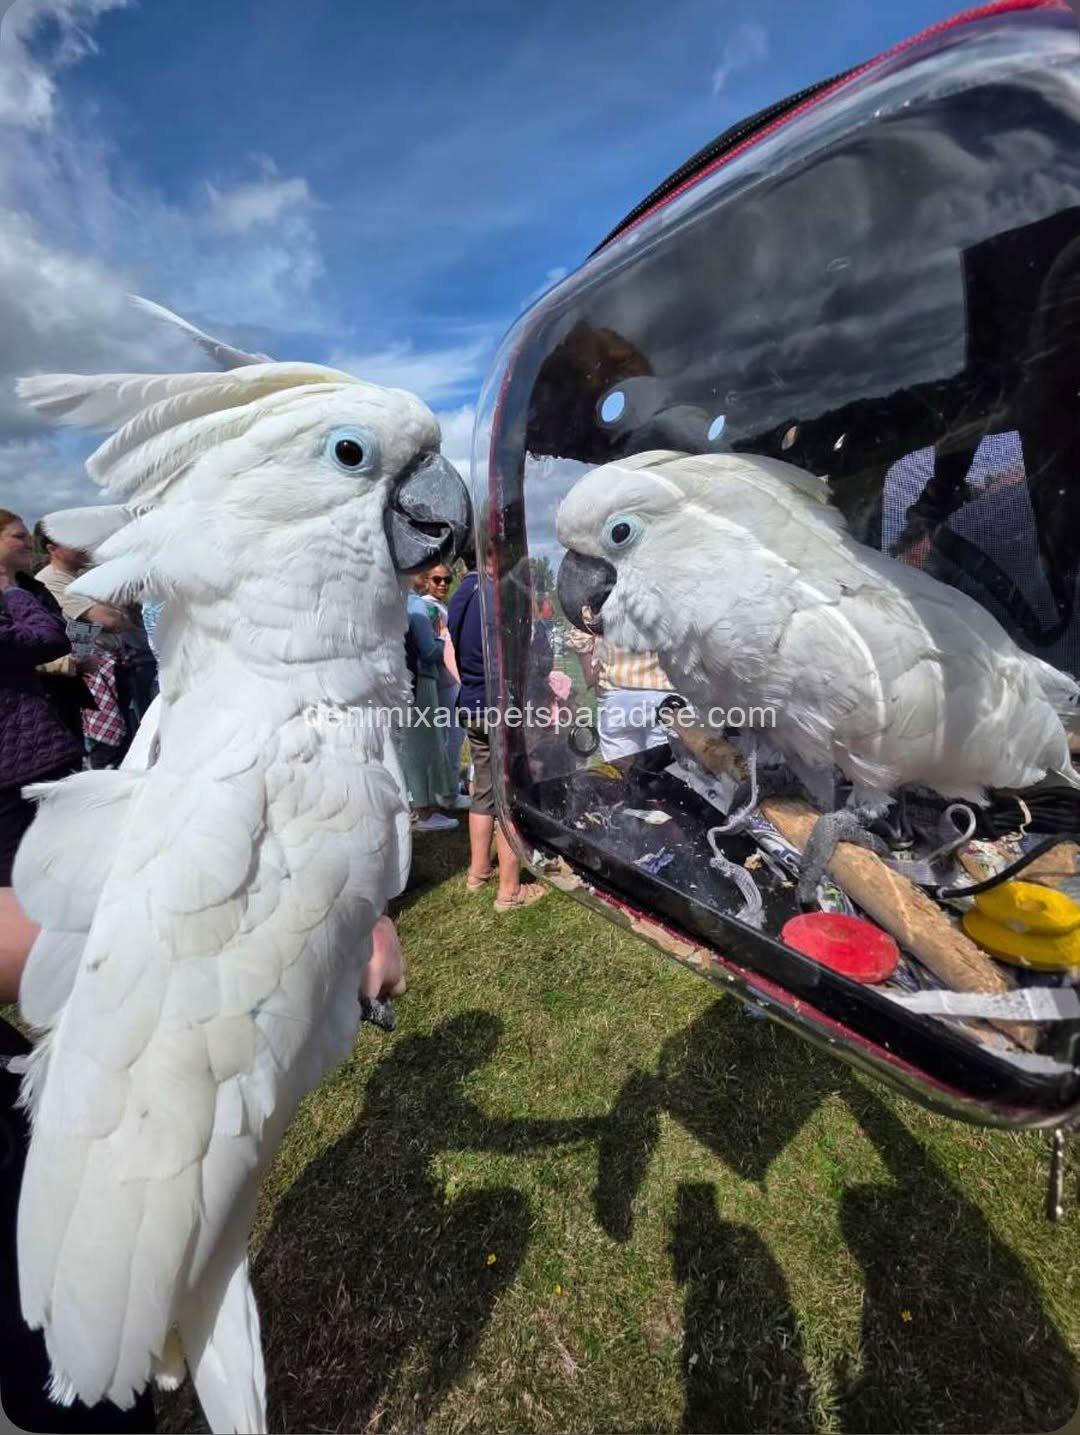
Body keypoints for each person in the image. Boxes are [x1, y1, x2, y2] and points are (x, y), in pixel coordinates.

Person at [0, 511, 82, 949]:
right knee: (21, 857)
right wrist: (11, 596)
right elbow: (48, 637)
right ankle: (39, 948)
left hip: (38, 730)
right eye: (16, 535)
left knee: (57, 842)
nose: (25, 542)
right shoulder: (15, 591)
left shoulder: (26, 587)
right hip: (17, 746)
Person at [448, 552, 546, 912]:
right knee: (509, 795)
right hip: (499, 705)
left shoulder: (461, 593)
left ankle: (478, 871)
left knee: (484, 790)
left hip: (471, 702)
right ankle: (509, 890)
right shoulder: (498, 594)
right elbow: (525, 653)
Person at [565, 624, 677, 761]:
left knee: (621, 774)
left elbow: (590, 677)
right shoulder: (667, 606)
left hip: (616, 703)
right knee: (669, 770)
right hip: (665, 699)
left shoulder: (590, 611)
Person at [399, 581, 457, 831]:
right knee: (423, 745)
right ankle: (423, 812)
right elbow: (429, 650)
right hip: (421, 678)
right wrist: (443, 636)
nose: (442, 583)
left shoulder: (398, 601)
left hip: (403, 678)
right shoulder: (416, 605)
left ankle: (413, 805)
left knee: (409, 743)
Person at [420, 563, 469, 807]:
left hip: (445, 682)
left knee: (449, 738)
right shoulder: (429, 607)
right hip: (442, 682)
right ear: (427, 580)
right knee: (452, 737)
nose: (442, 584)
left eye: (447, 580)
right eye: (437, 579)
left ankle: (445, 787)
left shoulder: (438, 606)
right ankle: (448, 794)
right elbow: (431, 647)